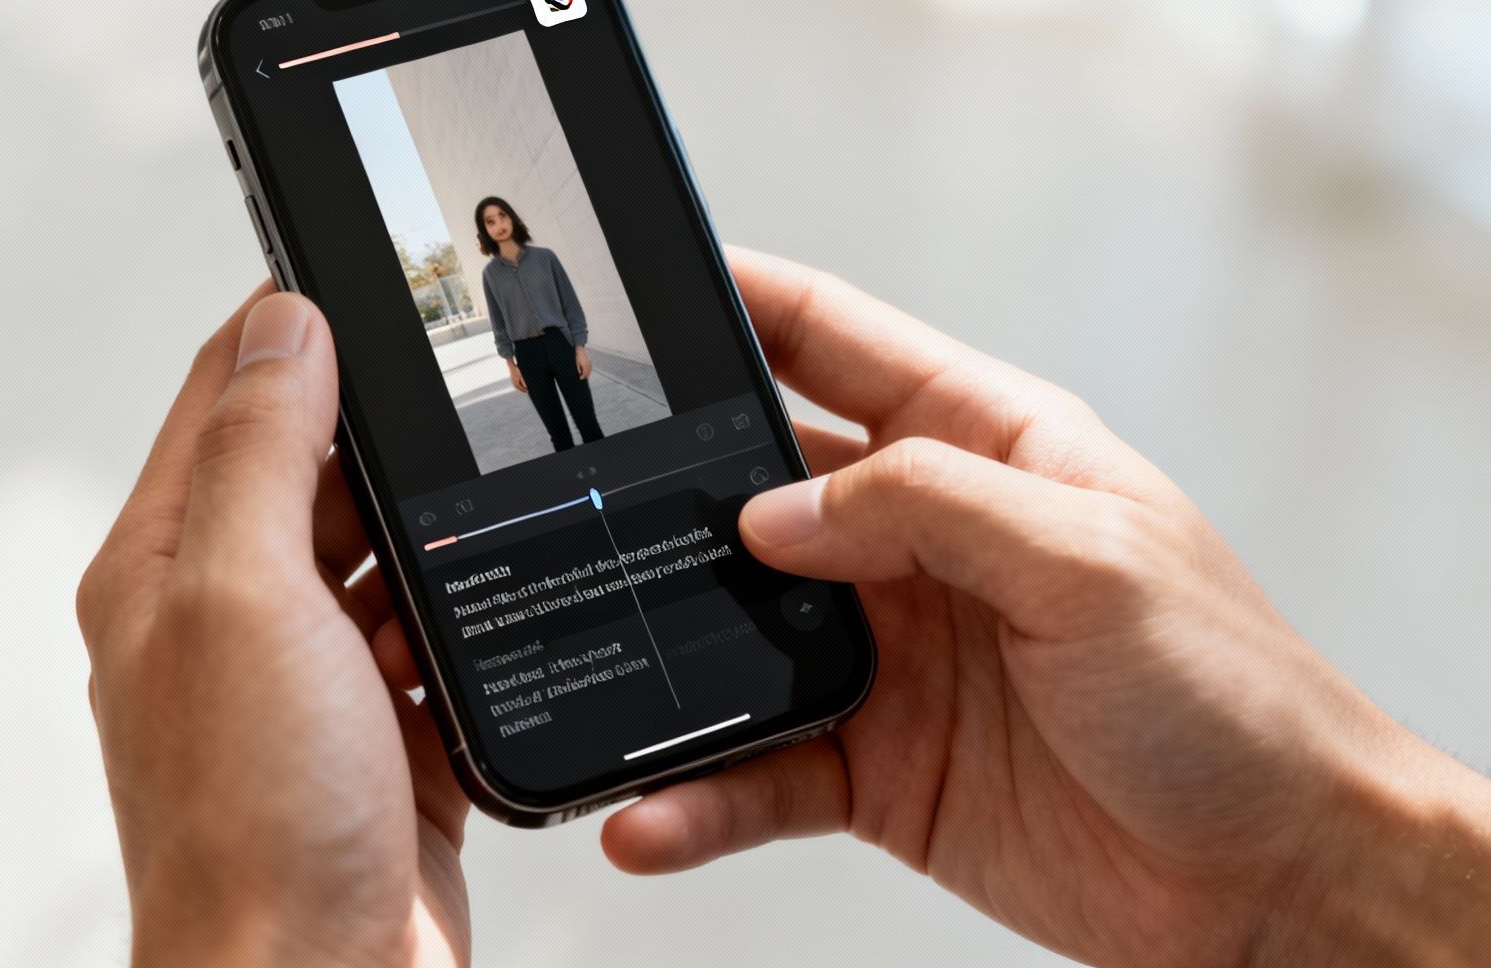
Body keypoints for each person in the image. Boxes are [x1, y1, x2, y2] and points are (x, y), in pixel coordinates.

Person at [76, 247, 1491, 966]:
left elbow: (553, 297)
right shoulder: (495, 275)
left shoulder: (541, 262)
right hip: (535, 360)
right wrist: (1308, 866)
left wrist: (251, 934)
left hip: (566, 352)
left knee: (597, 432)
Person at [473, 196, 603, 451]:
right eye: (490, 221)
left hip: (560, 345)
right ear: (484, 230)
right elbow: (498, 324)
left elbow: (571, 306)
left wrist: (580, 348)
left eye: (503, 216)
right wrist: (511, 365)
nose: (499, 224)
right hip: (527, 355)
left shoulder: (545, 258)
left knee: (588, 423)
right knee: (558, 434)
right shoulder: (490, 275)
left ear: (512, 217)